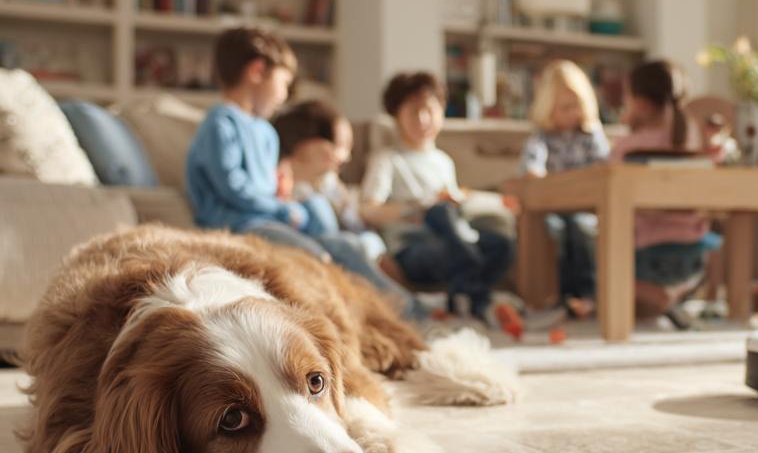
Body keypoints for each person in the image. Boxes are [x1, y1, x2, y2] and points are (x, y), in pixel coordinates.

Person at [183, 28, 421, 316]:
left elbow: (272, 189)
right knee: (316, 256)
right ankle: (367, 310)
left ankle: (410, 309)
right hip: (240, 224)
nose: (284, 95)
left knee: (342, 242)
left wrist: (286, 199)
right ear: (257, 72)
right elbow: (233, 188)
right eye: (284, 83)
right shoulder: (220, 123)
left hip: (272, 218)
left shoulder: (266, 132)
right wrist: (282, 210)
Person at [360, 71, 513, 322]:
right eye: (412, 112)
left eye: (429, 110)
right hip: (411, 249)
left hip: (455, 244)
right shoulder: (387, 160)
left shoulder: (443, 162)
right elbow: (367, 210)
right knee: (440, 212)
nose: (422, 119)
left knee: (501, 245)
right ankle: (480, 301)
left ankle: (461, 299)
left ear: (442, 112)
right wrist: (422, 206)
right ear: (396, 116)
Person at [272, 99, 426, 319]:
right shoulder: (281, 174)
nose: (347, 157)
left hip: (343, 243)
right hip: (313, 246)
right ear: (314, 146)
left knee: (367, 242)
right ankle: (408, 307)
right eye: (342, 147)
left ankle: (405, 303)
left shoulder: (330, 184)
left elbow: (354, 220)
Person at [610, 59, 722, 325]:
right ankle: (675, 295)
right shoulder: (694, 142)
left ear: (641, 104)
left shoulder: (627, 148)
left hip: (646, 257)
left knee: (596, 256)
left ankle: (657, 296)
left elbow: (605, 188)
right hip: (694, 258)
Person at [519, 60, 610, 316]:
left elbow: (606, 167)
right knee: (557, 230)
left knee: (581, 229)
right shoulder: (542, 137)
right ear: (549, 108)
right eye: (564, 107)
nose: (572, 113)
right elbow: (532, 163)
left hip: (587, 208)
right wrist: (534, 173)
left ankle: (586, 295)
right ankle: (561, 297)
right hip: (554, 208)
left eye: (577, 106)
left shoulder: (592, 135)